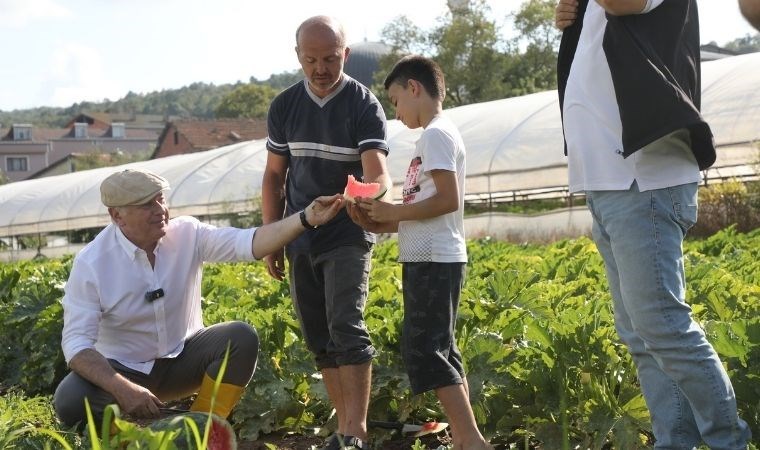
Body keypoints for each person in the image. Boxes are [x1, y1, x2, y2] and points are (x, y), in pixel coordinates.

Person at [555, 0, 751, 448]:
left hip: (644, 178)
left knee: (662, 325)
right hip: (607, 183)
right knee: (642, 334)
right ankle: (675, 443)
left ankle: (728, 441)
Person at [54, 168, 343, 428]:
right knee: (70, 399)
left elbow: (248, 242)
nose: (160, 210)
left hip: (183, 361)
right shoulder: (92, 263)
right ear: (117, 216)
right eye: (146, 205)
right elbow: (77, 345)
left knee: (240, 338)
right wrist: (123, 388)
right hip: (125, 371)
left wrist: (306, 218)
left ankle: (201, 427)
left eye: (160, 200)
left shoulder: (187, 234)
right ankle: (130, 439)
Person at [261, 15, 392, 450]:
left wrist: (367, 195)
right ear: (298, 56)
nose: (321, 68)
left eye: (331, 59)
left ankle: (356, 432)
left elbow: (376, 169)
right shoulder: (284, 107)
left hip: (347, 231)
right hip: (299, 232)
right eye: (312, 59)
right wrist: (271, 236)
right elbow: (274, 178)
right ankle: (343, 430)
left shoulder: (363, 103)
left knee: (346, 324)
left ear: (346, 54)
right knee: (318, 334)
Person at [349, 55, 492, 450]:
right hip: (429, 254)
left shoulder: (435, 135)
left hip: (434, 258)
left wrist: (395, 211)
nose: (396, 113)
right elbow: (426, 206)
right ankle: (469, 438)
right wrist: (381, 222)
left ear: (414, 88)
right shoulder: (433, 136)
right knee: (443, 348)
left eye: (395, 100)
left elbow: (448, 199)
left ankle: (470, 440)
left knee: (426, 351)